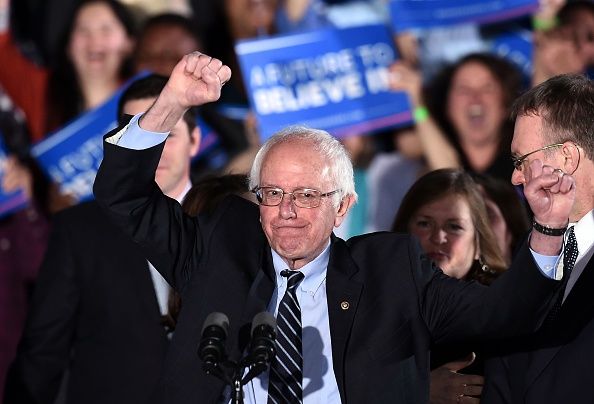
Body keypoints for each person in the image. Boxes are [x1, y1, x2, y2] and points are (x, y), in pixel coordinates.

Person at [92, 51, 573, 404]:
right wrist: (173, 101)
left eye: (306, 196)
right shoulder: (219, 247)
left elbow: (504, 312)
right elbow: (123, 193)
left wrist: (549, 229)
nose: (286, 210)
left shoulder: (392, 270)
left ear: (343, 207)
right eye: (274, 194)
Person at [3, 73, 200, 404]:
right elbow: (43, 351)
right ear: (120, 143)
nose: (155, 150)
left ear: (195, 141)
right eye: (142, 135)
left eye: (168, 134)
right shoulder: (78, 231)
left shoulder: (230, 219)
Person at [481, 73, 594, 404]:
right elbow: (505, 363)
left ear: (567, 158)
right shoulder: (531, 251)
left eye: (522, 160)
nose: (515, 176)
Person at [392, 169, 507, 404]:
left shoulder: (505, 313)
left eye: (454, 226)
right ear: (403, 234)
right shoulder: (369, 304)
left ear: (478, 243)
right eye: (425, 224)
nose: (439, 237)